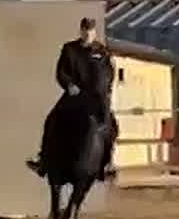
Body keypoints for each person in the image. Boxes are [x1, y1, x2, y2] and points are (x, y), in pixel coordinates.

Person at [26, 17, 118, 181]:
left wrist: (104, 90)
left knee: (111, 125)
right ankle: (43, 159)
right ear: (80, 31)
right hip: (75, 95)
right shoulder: (69, 49)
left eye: (90, 30)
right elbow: (61, 71)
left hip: (96, 97)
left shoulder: (102, 52)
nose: (87, 33)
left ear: (94, 32)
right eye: (85, 30)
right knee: (52, 118)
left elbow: (109, 73)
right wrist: (69, 85)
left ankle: (107, 163)